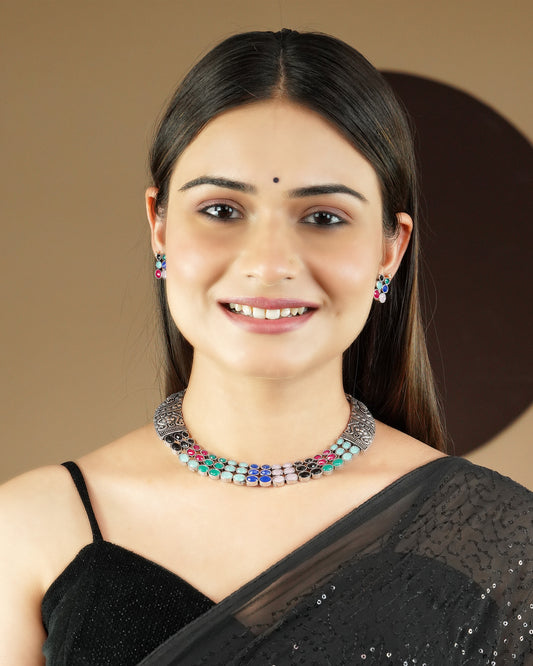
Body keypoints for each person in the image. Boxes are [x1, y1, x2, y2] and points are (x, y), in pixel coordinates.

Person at [0, 29, 531, 666]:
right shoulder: (33, 529)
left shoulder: (500, 544)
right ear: (159, 225)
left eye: (324, 217)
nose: (270, 264)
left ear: (391, 248)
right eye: (222, 210)